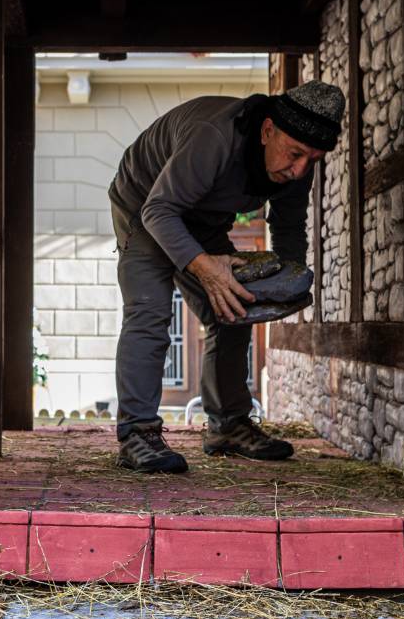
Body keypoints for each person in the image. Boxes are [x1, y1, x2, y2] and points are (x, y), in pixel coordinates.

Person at [108, 80, 345, 473]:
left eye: (313, 159)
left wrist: (291, 282)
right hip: (146, 205)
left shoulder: (297, 164)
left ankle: (228, 425)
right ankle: (137, 434)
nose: (301, 168)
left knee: (234, 305)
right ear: (267, 130)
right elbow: (159, 212)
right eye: (296, 154)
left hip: (202, 218)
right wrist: (206, 269)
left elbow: (289, 229)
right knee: (149, 311)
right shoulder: (213, 136)